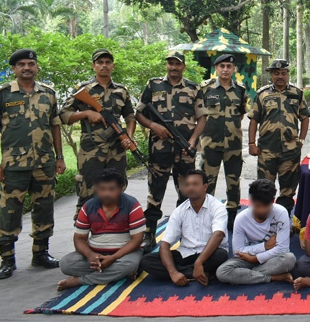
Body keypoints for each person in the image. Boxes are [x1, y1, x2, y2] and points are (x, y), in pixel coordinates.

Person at [0, 49, 65, 279]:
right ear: (14, 69)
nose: (27, 67)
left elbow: (54, 126)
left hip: (44, 163)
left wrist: (60, 157)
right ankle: (7, 259)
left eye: (31, 64)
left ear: (36, 67)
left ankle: (40, 254)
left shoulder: (48, 93)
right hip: (13, 166)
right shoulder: (3, 95)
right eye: (22, 64)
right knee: (9, 211)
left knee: (44, 209)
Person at [136, 50, 206, 251]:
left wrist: (192, 141)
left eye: (177, 63)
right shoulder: (153, 85)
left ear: (183, 66)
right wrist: (153, 126)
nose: (173, 67)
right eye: (170, 63)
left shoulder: (193, 88)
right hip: (160, 149)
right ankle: (150, 233)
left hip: (185, 150)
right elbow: (139, 113)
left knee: (187, 193)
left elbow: (201, 118)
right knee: (155, 193)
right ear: (166, 65)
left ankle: (184, 232)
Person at [59, 49, 136, 216]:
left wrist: (128, 137)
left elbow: (130, 116)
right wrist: (86, 113)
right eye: (100, 62)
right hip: (91, 151)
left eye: (108, 62)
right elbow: (64, 115)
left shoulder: (121, 91)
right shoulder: (83, 91)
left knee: (117, 190)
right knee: (88, 191)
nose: (104, 66)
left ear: (113, 66)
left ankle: (114, 229)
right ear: (94, 66)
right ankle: (84, 233)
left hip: (116, 150)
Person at [57, 168, 145, 290]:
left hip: (124, 255)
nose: (106, 193)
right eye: (102, 189)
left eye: (111, 189)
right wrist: (90, 255)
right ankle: (115, 274)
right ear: (96, 189)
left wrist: (113, 258)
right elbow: (79, 239)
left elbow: (137, 240)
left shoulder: (132, 205)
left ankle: (80, 281)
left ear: (121, 188)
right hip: (96, 254)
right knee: (66, 264)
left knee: (129, 265)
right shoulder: (88, 206)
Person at [140, 170, 228, 286]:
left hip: (209, 254)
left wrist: (199, 262)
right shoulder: (179, 211)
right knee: (147, 261)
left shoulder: (217, 207)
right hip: (186, 253)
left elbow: (218, 235)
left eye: (195, 184)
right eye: (187, 184)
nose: (191, 188)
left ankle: (193, 270)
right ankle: (194, 273)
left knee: (221, 255)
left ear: (205, 187)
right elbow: (165, 244)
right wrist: (173, 272)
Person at [248, 59, 310, 215]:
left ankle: (283, 220)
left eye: (283, 73)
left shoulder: (297, 94)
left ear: (288, 74)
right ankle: (263, 219)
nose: (280, 76)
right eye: (276, 74)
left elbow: (305, 118)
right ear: (271, 75)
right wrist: (251, 143)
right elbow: (254, 119)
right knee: (263, 187)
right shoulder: (262, 94)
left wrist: (301, 140)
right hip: (266, 149)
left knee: (288, 189)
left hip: (290, 150)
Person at [198, 54, 247, 229]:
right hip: (210, 144)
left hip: (233, 145)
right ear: (216, 68)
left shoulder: (240, 90)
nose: (225, 69)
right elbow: (199, 114)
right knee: (207, 181)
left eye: (229, 66)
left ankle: (232, 214)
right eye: (222, 66)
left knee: (233, 181)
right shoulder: (205, 88)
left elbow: (241, 113)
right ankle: (207, 214)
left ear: (234, 69)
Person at [216, 179, 295, 285]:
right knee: (222, 272)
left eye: (266, 206)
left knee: (289, 259)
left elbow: (283, 248)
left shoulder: (281, 212)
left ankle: (244, 276)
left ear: (272, 201)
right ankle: (273, 277)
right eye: (258, 206)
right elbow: (238, 251)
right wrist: (264, 246)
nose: (261, 210)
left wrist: (255, 259)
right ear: (251, 201)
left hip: (271, 258)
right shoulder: (241, 218)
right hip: (247, 259)